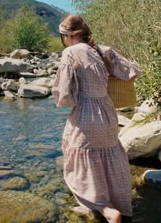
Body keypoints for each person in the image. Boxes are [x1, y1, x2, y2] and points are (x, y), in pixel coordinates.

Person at [52, 14, 142, 223]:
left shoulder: (70, 53)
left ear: (70, 35)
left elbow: (64, 96)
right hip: (108, 111)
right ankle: (116, 201)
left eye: (63, 35)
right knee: (108, 155)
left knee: (78, 157)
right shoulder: (103, 50)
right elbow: (132, 72)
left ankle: (106, 209)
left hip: (86, 113)